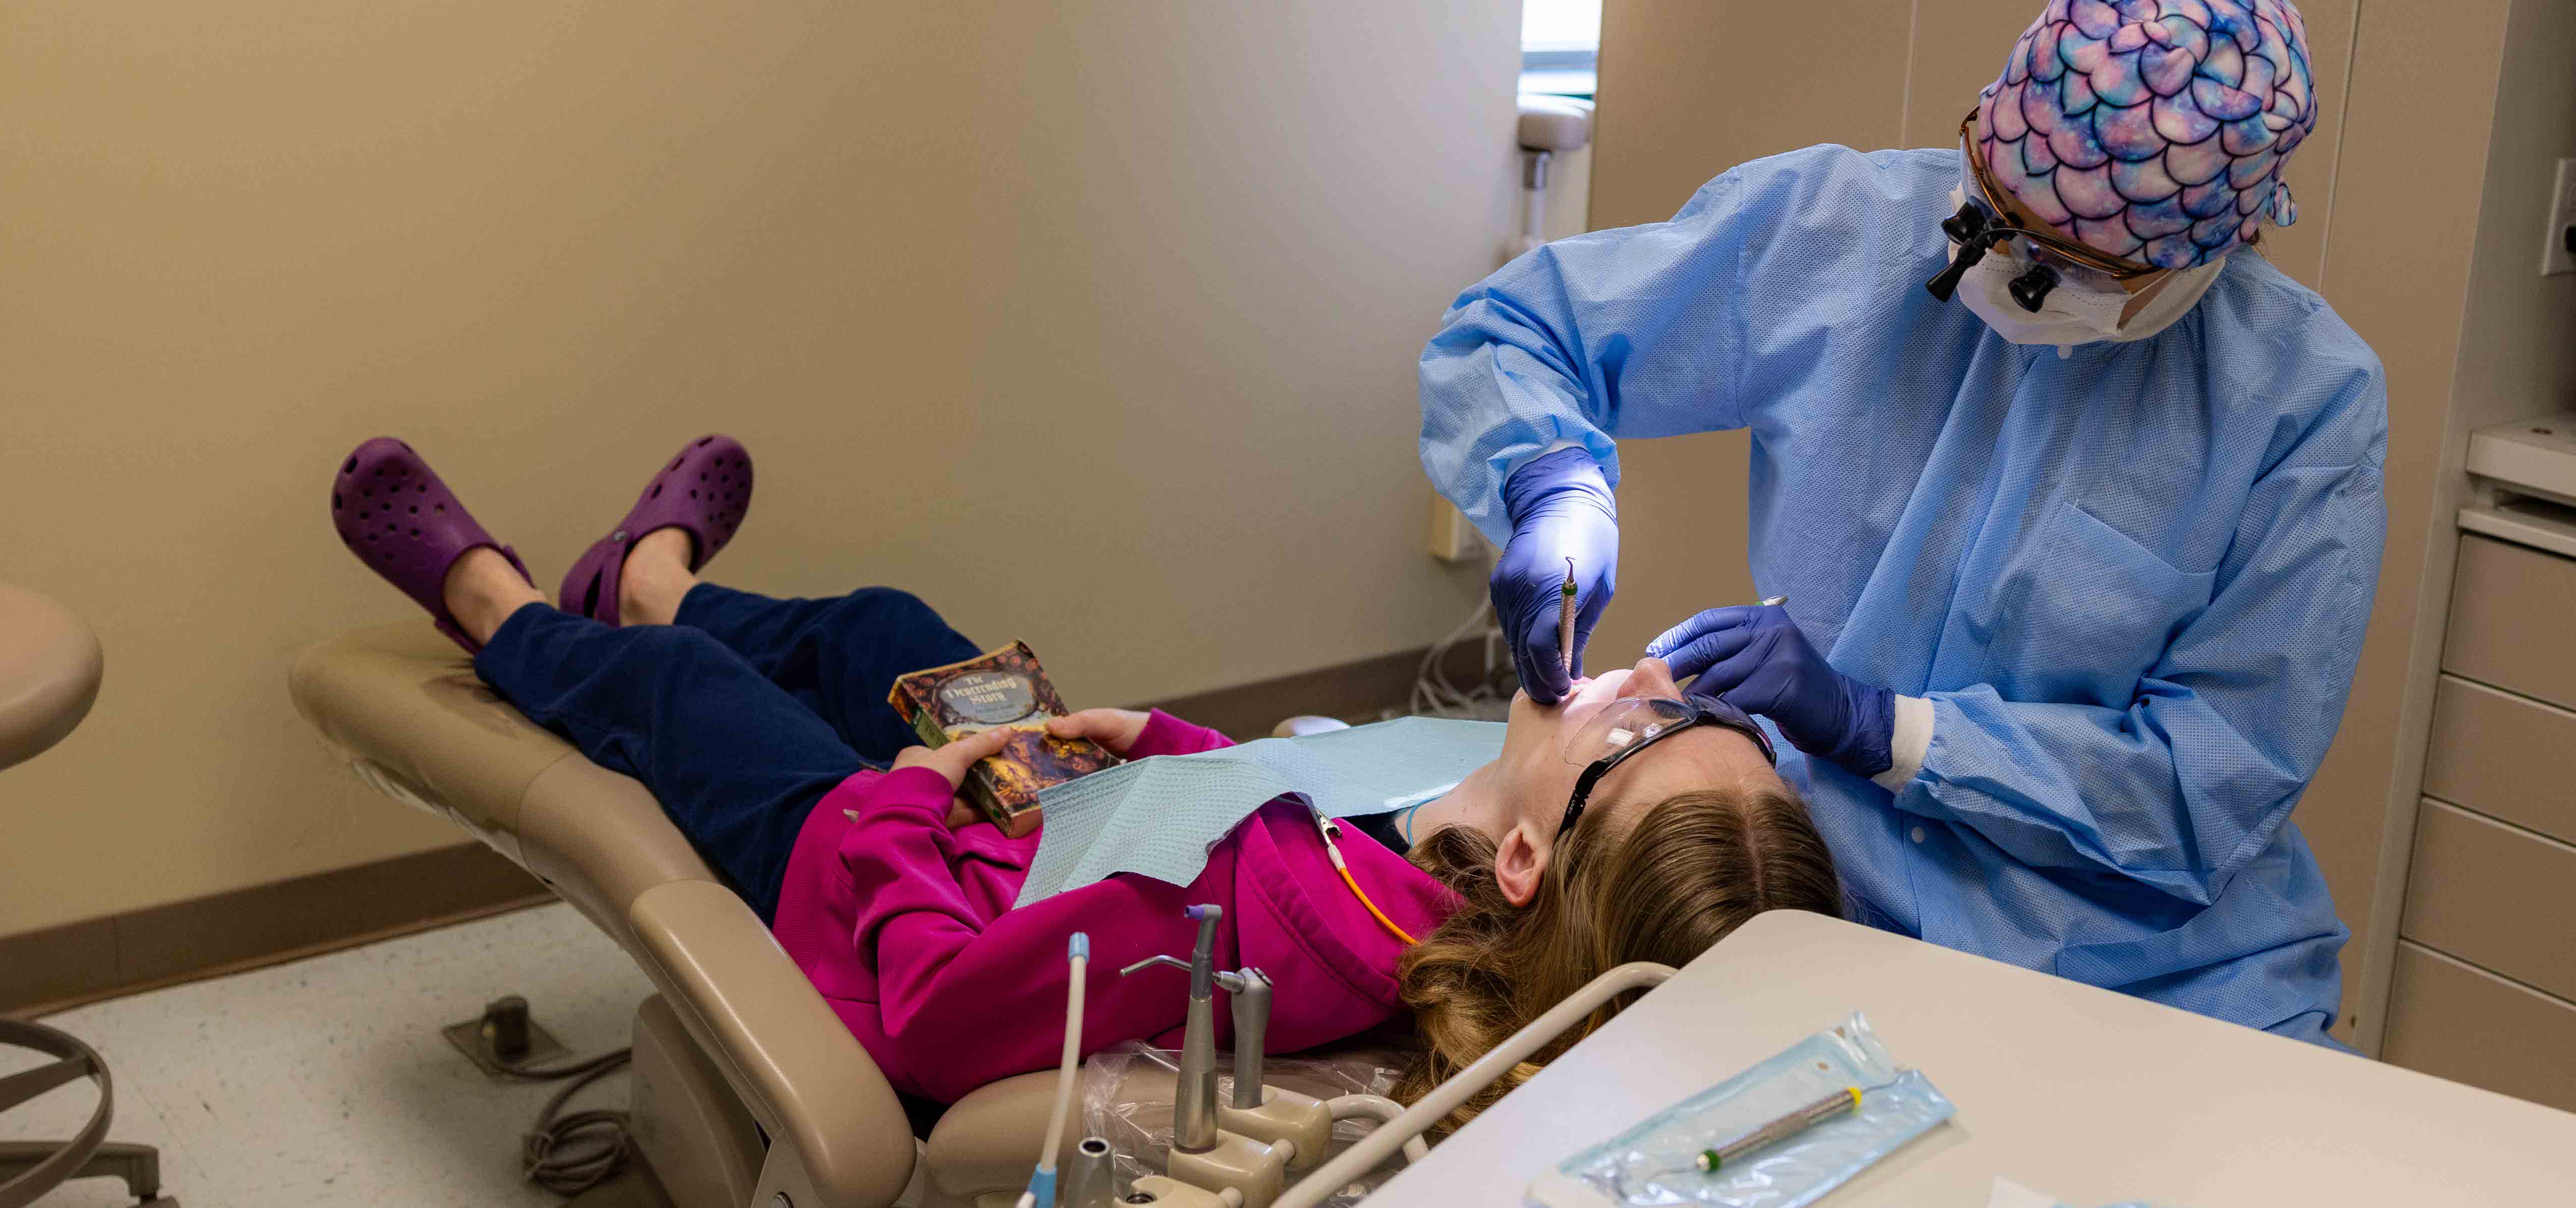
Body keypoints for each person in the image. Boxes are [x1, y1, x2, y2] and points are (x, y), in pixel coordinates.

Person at [329, 435, 1837, 1106]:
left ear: (1527, 864)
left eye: (1641, 729)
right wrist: (1165, 751)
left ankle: (506, 604)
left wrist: (917, 807)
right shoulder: (1409, 877)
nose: (1645, 672)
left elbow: (929, 1017)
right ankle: (648, 581)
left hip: (854, 875)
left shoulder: (1223, 940)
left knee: (679, 697)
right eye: (1709, 704)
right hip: (1038, 816)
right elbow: (1277, 815)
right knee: (889, 633)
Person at [1418, 0, 2380, 1044]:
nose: (2001, 266)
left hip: (2160, 979)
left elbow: (2209, 779)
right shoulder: (1843, 232)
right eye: (1988, 218)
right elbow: (1518, 329)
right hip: (1830, 926)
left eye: (2060, 260)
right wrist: (1553, 480)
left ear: (2207, 249)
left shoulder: (2296, 404)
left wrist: (1895, 730)